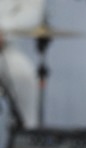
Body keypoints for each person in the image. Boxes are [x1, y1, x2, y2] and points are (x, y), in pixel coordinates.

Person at [0, 0, 44, 128]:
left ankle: (26, 133)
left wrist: (4, 28)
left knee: (23, 75)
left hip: (5, 48)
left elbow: (32, 14)